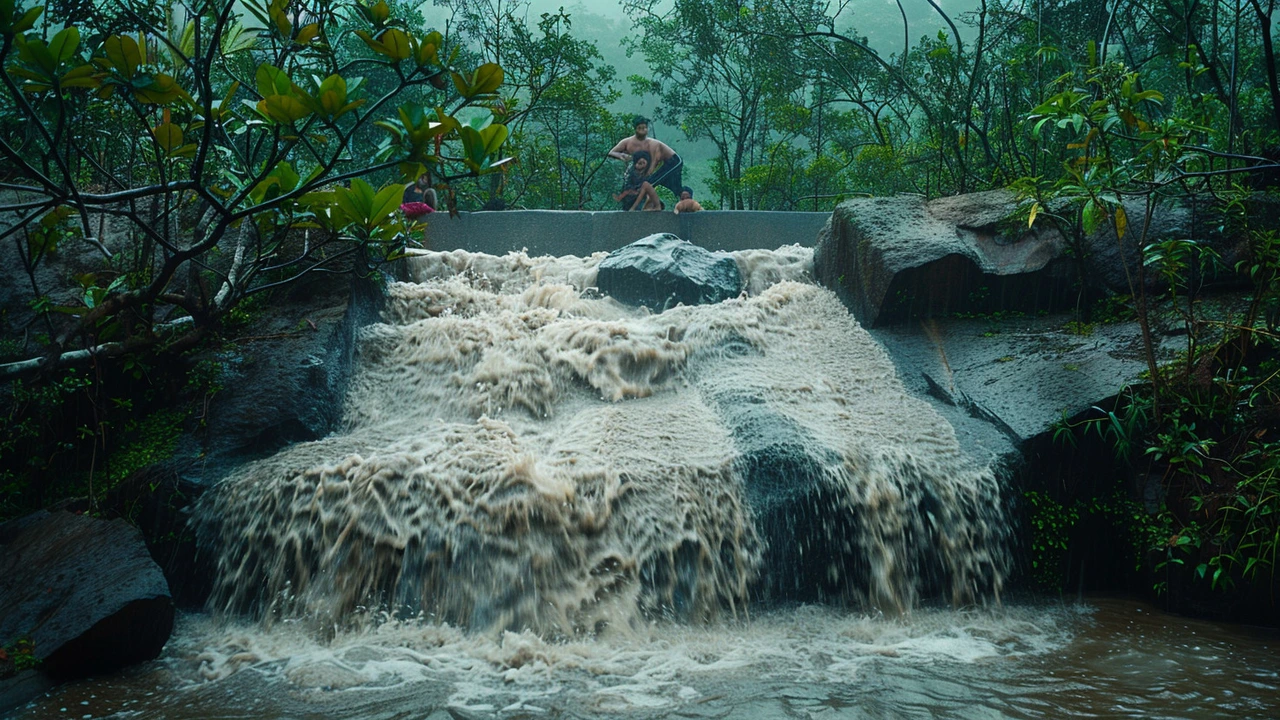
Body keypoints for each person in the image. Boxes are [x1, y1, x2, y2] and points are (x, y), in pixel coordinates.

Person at [608, 116, 684, 199]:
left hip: (673, 162)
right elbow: (611, 152)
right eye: (639, 128)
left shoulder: (651, 143)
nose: (642, 131)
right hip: (658, 165)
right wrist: (621, 155)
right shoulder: (627, 142)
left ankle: (654, 204)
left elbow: (655, 161)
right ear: (635, 129)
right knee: (671, 186)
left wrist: (646, 175)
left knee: (650, 182)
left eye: (644, 128)